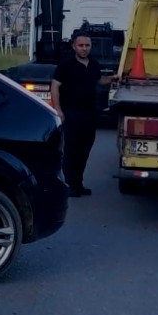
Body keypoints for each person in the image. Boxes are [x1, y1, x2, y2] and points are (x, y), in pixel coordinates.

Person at [50, 34, 115, 197]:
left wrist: (113, 79)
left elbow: (99, 81)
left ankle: (78, 184)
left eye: (87, 45)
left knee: (84, 150)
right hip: (71, 113)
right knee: (71, 150)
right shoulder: (66, 66)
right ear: (74, 47)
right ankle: (69, 184)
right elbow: (55, 86)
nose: (84, 48)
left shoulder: (94, 65)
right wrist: (58, 109)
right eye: (81, 45)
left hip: (89, 113)